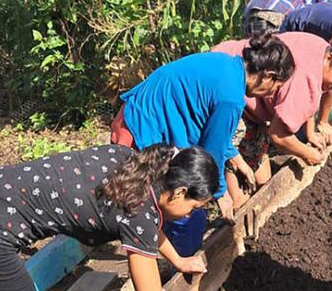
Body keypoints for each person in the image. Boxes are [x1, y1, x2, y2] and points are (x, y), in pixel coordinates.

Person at [0, 144, 219, 291]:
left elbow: (147, 228)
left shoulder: (131, 165)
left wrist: (178, 260)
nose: (189, 215)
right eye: (193, 208)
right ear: (179, 192)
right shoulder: (139, 212)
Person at [111, 34, 295, 225]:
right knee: (139, 209)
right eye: (276, 87)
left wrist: (238, 161)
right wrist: (221, 194)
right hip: (141, 133)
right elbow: (211, 153)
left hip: (131, 116)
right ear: (267, 76)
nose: (272, 94)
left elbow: (213, 131)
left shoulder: (226, 63)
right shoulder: (231, 98)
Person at [211, 32, 332, 200]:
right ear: (331, 60)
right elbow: (278, 136)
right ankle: (232, 205)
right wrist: (307, 153)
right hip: (225, 88)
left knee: (263, 181)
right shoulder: (306, 77)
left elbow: (308, 101)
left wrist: (310, 133)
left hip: (230, 66)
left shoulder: (321, 48)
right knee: (238, 180)